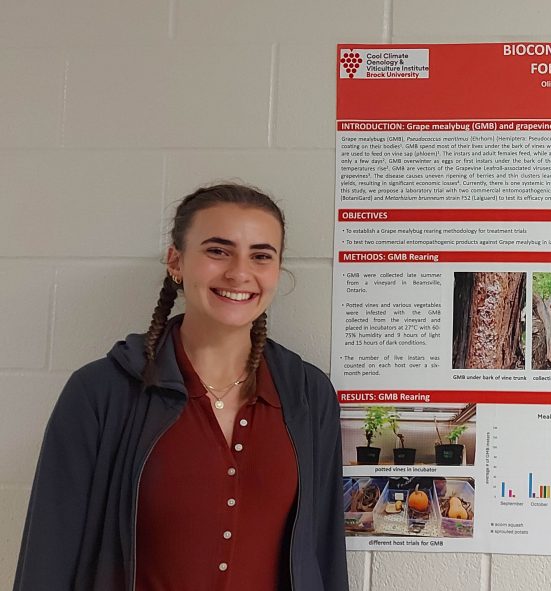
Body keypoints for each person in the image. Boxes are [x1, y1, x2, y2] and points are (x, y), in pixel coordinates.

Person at [15, 184, 348, 590]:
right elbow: (49, 555)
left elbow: (326, 552)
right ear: (176, 261)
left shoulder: (308, 395)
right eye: (217, 251)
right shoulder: (101, 392)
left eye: (261, 255)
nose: (240, 272)